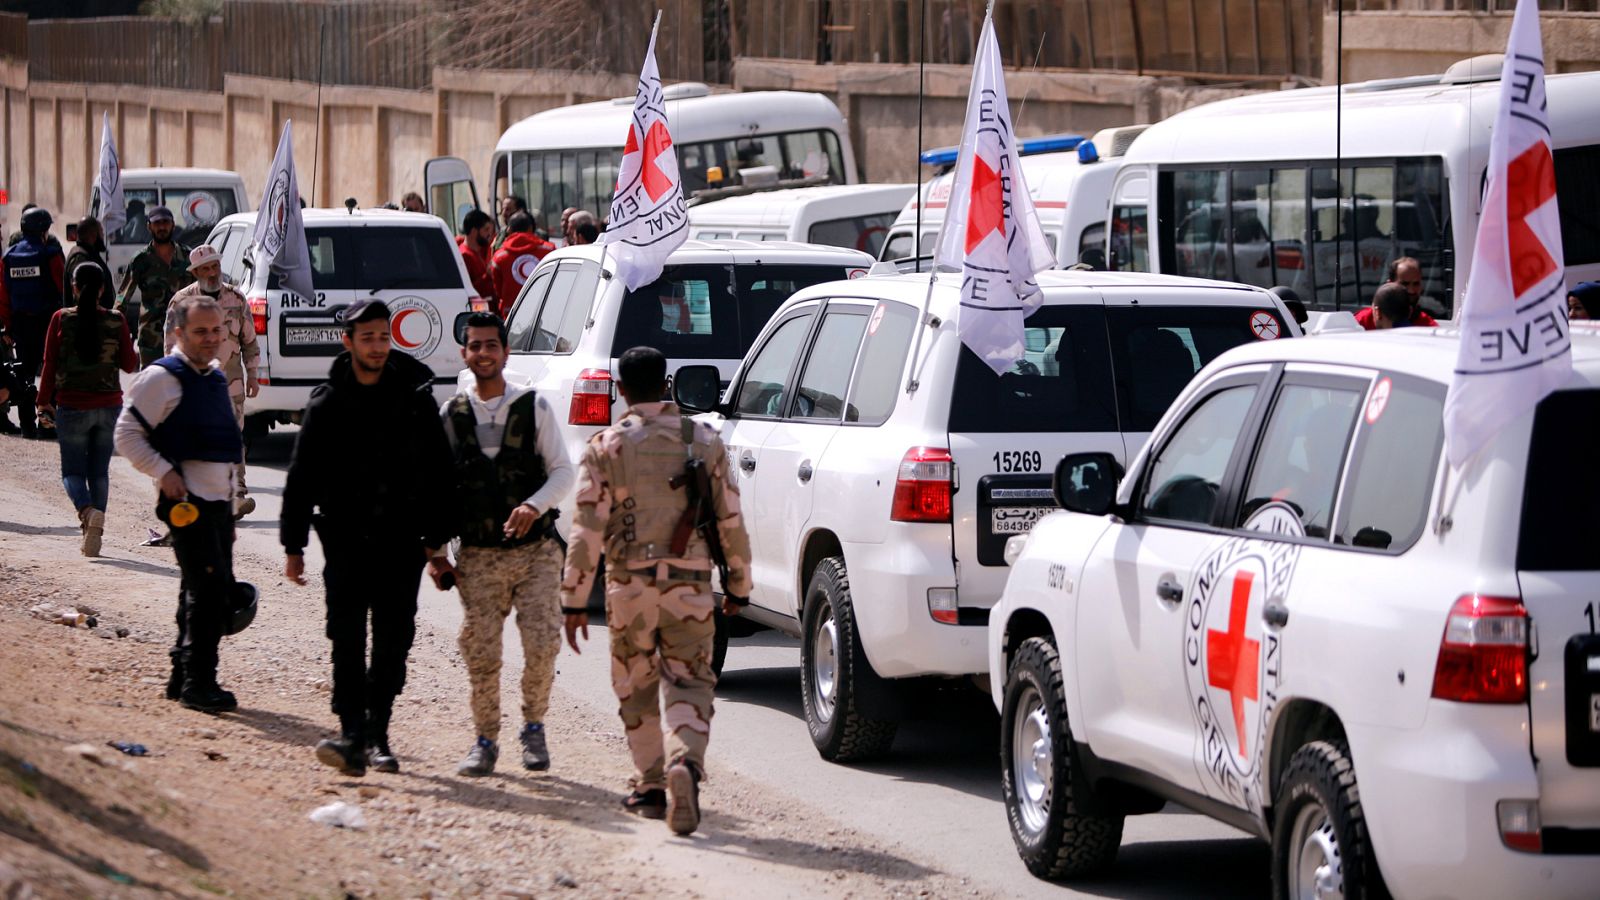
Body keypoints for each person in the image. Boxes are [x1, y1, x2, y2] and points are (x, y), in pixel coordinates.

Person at [560, 346, 753, 835]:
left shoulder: (606, 446)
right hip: (690, 585)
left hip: (629, 587)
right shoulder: (703, 440)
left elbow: (585, 530)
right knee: (690, 682)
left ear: (621, 390)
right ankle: (684, 762)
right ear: (666, 384)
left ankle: (649, 786)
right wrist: (739, 585)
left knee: (636, 685)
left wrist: (574, 599)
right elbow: (730, 518)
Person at [281, 299, 456, 777]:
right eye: (368, 338)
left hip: (402, 540)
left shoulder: (414, 398)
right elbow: (301, 476)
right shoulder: (327, 403)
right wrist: (294, 546)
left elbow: (440, 472)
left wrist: (437, 542)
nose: (378, 347)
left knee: (394, 640)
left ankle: (379, 731)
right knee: (346, 636)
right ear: (348, 342)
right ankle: (352, 733)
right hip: (345, 539)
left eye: (384, 337)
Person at [444, 312, 575, 776]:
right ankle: (485, 740)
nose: (483, 354)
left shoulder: (532, 407)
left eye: (491, 345)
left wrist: (533, 506)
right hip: (479, 556)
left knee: (542, 644)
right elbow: (438, 489)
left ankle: (533, 727)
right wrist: (436, 554)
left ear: (506, 352)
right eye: (475, 346)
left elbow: (563, 471)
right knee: (481, 652)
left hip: (536, 553)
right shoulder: (453, 416)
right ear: (464, 353)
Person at [114, 295, 244, 713]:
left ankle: (181, 675)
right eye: (200, 331)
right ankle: (199, 684)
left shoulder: (215, 376)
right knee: (209, 592)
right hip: (186, 503)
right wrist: (163, 472)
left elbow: (222, 450)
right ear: (178, 334)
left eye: (216, 330)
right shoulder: (161, 378)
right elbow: (126, 435)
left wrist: (230, 509)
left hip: (218, 506)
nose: (210, 338)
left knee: (200, 589)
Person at [38, 265, 138, 556]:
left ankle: (86, 512)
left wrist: (43, 401)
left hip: (72, 406)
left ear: (74, 287)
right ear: (103, 289)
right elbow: (129, 365)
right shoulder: (117, 320)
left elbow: (49, 364)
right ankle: (94, 531)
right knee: (99, 473)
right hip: (109, 407)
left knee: (72, 472)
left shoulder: (60, 318)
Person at [163, 246, 260, 518]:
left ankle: (237, 494)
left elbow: (249, 340)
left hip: (231, 382)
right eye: (205, 268)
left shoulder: (236, 299)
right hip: (193, 386)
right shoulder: (182, 303)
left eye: (215, 266)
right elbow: (170, 346)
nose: (212, 272)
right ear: (195, 272)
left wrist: (253, 374)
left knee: (233, 436)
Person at [0, 207, 67, 439]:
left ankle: (27, 426)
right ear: (44, 230)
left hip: (20, 325)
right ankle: (46, 425)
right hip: (48, 324)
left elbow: (4, 297)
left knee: (23, 374)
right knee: (50, 373)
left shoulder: (9, 257)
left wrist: (7, 327)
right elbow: (64, 290)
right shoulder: (50, 255)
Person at [117, 205, 194, 367]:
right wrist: (113, 328)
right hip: (151, 339)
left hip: (183, 335)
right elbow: (122, 298)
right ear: (149, 227)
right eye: (157, 223)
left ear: (173, 225)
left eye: (165, 222)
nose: (162, 227)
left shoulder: (188, 257)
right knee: (151, 380)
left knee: (181, 380)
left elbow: (201, 294)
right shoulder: (140, 260)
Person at [489, 212, 554, 318]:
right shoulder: (550, 251)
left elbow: (498, 291)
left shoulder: (499, 257)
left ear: (509, 230)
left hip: (511, 317)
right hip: (544, 314)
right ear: (531, 228)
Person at [1355, 257, 1437, 330]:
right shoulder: (1361, 322)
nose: (1411, 290)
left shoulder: (1428, 327)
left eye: (1416, 284)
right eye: (1404, 284)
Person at [66, 217, 117, 309]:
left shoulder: (89, 254)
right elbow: (82, 296)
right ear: (93, 234)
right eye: (101, 231)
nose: (103, 235)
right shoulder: (80, 259)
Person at [457, 209, 499, 313]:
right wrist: (487, 275)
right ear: (474, 231)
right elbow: (467, 291)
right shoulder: (464, 256)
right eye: (486, 230)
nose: (489, 234)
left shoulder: (478, 252)